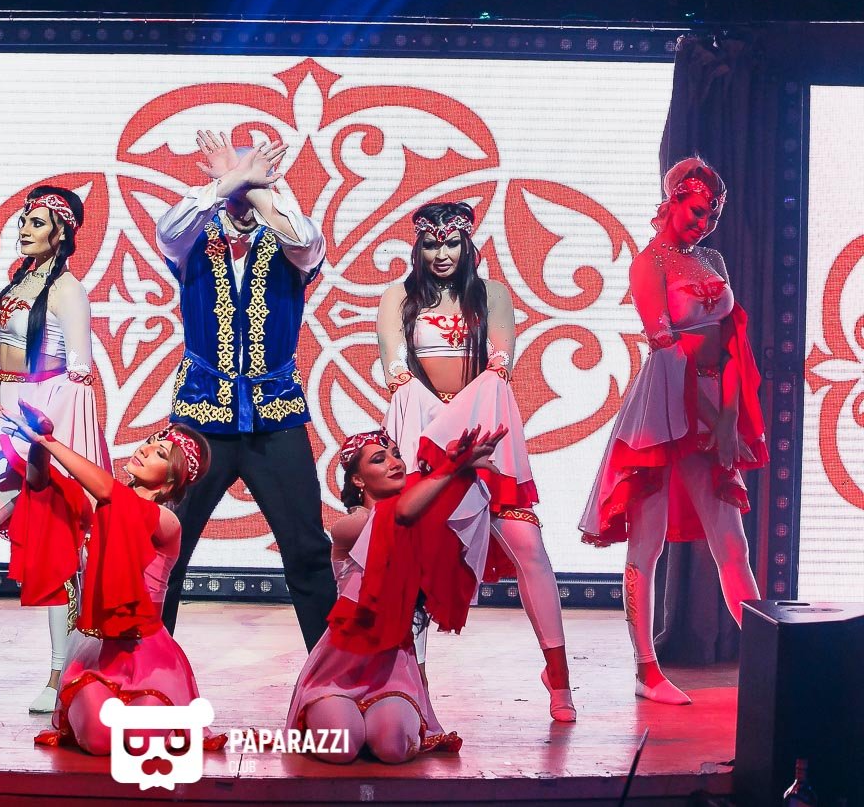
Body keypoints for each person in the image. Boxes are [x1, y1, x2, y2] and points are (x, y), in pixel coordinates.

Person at [375, 201, 575, 722]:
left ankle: (559, 677)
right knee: (414, 561)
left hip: (481, 439)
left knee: (528, 545)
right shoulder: (399, 296)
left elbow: (500, 362)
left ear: (467, 244)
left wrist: (466, 435)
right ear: (418, 248)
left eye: (451, 243)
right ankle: (414, 692)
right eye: (431, 244)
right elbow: (395, 366)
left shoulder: (492, 295)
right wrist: (435, 430)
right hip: (425, 439)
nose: (441, 254)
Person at [579, 157, 766, 705]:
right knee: (648, 541)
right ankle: (646, 669)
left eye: (713, 216)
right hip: (664, 406)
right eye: (697, 212)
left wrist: (727, 420)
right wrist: (712, 421)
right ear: (673, 202)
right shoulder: (648, 263)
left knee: (732, 543)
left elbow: (729, 343)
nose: (704, 224)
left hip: (715, 400)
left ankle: (767, 662)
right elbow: (666, 346)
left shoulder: (712, 259)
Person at [0, 187, 109, 714]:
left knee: (61, 552)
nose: (25, 229)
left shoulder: (68, 290)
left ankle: (61, 671)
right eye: (24, 221)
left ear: (63, 231)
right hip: (9, 424)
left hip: (47, 429)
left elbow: (78, 375)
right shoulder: (20, 281)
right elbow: (8, 366)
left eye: (37, 222)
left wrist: (50, 445)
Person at [155, 130, 336, 652]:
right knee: (167, 547)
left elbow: (305, 242)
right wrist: (230, 179)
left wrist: (254, 185)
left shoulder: (289, 237)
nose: (241, 186)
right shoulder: (193, 235)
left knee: (306, 548)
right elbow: (167, 229)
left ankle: (331, 674)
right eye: (237, 175)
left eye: (252, 174)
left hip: (275, 415)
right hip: (200, 418)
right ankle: (148, 671)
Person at [0, 401, 224, 756]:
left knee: (141, 741)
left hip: (149, 657)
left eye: (159, 453)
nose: (145, 449)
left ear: (170, 481)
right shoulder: (103, 509)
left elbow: (111, 494)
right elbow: (40, 483)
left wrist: (52, 442)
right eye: (149, 443)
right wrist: (38, 444)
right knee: (99, 739)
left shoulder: (166, 523)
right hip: (98, 653)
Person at [287, 429, 494, 763]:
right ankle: (343, 720)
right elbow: (401, 514)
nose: (394, 463)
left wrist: (464, 471)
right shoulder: (351, 527)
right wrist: (450, 467)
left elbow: (443, 515)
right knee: (342, 748)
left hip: (391, 667)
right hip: (339, 670)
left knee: (394, 748)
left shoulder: (414, 521)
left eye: (396, 455)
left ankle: (376, 725)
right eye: (379, 459)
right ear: (358, 480)